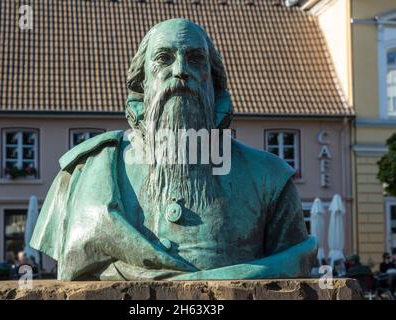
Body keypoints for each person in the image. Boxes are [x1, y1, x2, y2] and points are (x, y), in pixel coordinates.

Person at [30, 18, 317, 281]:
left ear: (213, 82)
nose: (180, 71)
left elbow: (294, 272)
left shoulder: (269, 178)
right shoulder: (87, 172)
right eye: (164, 59)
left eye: (195, 60)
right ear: (142, 81)